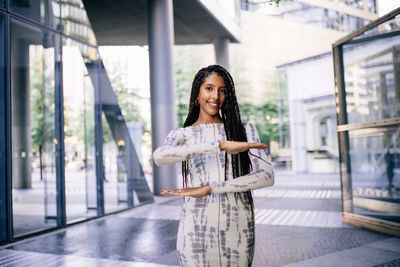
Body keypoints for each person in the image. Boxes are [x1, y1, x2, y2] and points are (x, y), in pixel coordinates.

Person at [152, 65, 274, 266]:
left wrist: (211, 188)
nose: (215, 96)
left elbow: (267, 176)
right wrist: (218, 145)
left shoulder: (244, 130)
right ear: (197, 93)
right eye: (209, 88)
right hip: (195, 228)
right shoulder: (182, 134)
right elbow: (160, 156)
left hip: (238, 227)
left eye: (222, 90)